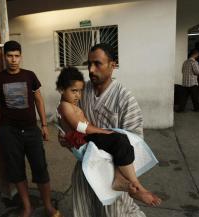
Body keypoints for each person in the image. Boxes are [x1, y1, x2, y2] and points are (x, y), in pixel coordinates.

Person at [58, 43, 149, 217]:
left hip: (114, 177)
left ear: (112, 66)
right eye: (88, 64)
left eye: (97, 64)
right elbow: (67, 118)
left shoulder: (125, 98)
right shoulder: (81, 92)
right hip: (86, 170)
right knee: (85, 211)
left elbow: (136, 143)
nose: (91, 69)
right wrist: (65, 137)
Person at [0, 40, 62, 217]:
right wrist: (2, 116)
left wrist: (43, 125)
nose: (13, 60)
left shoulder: (29, 76)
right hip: (9, 132)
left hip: (31, 130)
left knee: (40, 167)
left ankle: (48, 206)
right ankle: (27, 207)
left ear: (21, 57)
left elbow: (39, 100)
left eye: (16, 56)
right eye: (10, 56)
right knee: (17, 170)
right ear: (5, 57)